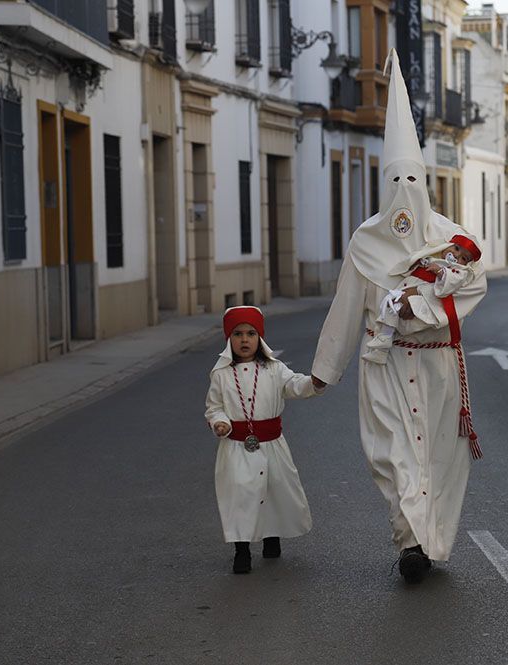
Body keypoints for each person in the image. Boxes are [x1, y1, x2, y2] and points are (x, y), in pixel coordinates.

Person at [311, 49, 488, 585]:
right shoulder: (366, 242)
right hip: (383, 365)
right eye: (395, 183)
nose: (404, 195)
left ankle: (429, 541)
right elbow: (346, 306)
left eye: (412, 180)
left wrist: (425, 305)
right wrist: (326, 368)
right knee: (390, 456)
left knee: (438, 460)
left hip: (437, 368)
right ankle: (409, 541)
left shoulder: (451, 239)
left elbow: (474, 285)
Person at [204, 306, 325, 574]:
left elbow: (293, 385)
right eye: (237, 334)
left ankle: (272, 538)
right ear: (228, 338)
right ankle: (242, 550)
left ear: (260, 338)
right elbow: (214, 406)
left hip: (272, 444)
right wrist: (220, 422)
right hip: (236, 446)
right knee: (240, 495)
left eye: (251, 333)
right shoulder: (221, 374)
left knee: (274, 491)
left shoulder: (274, 369)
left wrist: (313, 384)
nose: (244, 340)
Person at [363, 234, 482, 365]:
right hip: (404, 288)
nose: (455, 256)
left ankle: (383, 344)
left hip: (419, 296)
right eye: (456, 248)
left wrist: (441, 272)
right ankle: (382, 343)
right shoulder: (434, 256)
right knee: (389, 307)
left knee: (400, 314)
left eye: (463, 258)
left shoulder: (459, 272)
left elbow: (451, 283)